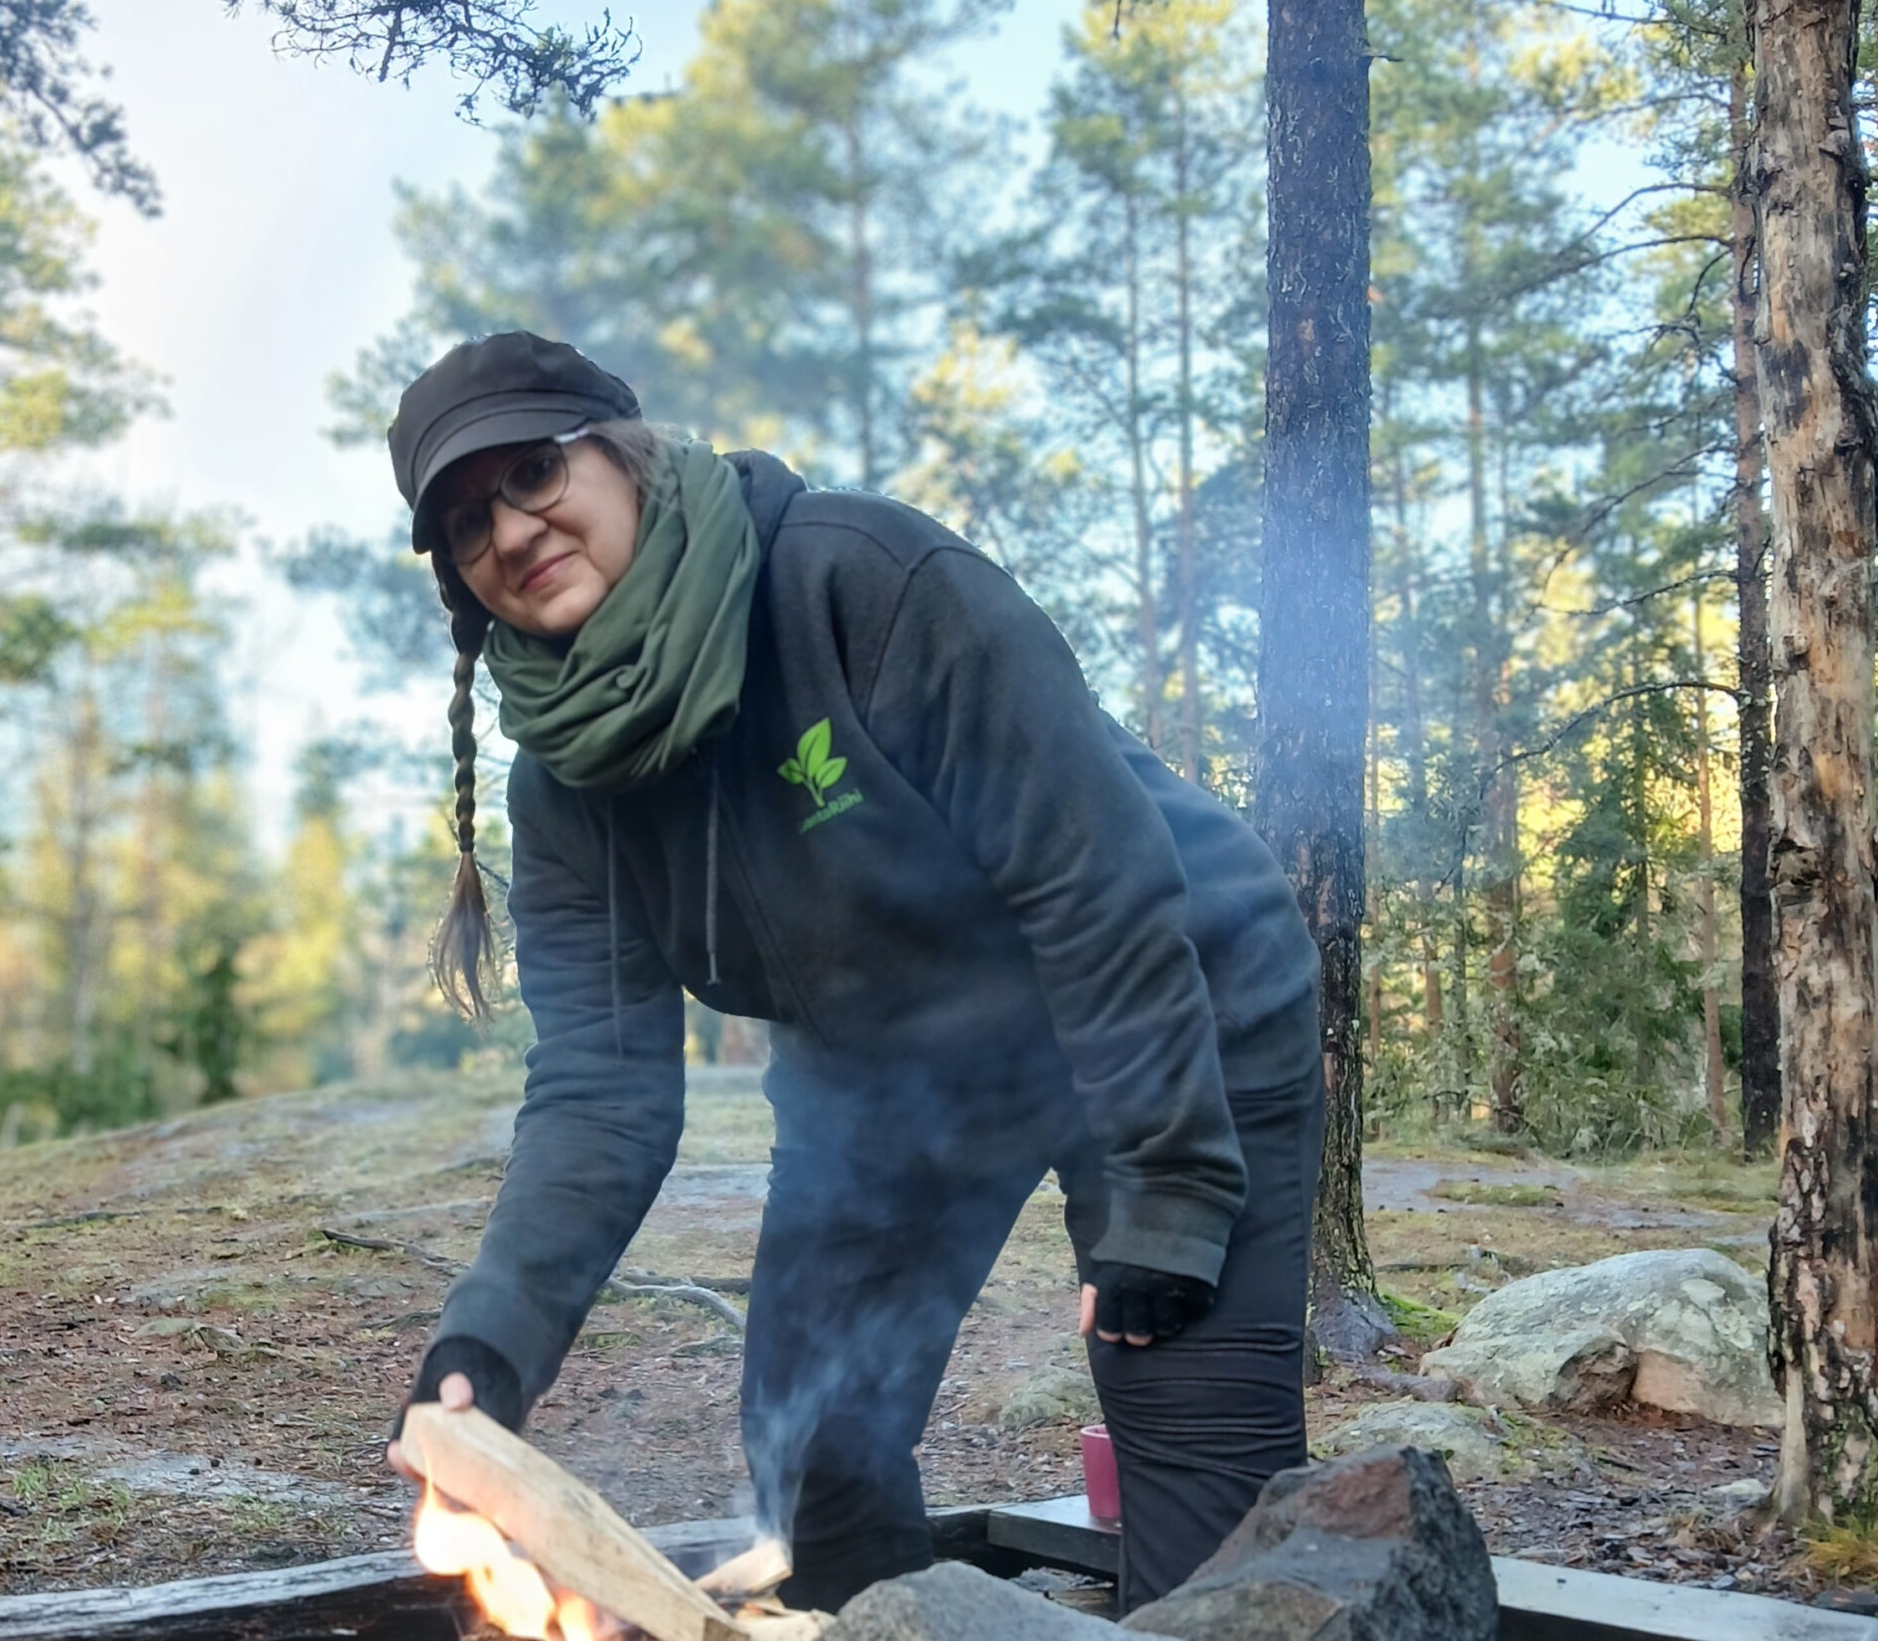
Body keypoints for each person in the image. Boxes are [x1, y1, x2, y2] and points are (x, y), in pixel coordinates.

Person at [381, 331, 1322, 1613]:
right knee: (815, 1463)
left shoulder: (859, 583)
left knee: (1209, 1525)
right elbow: (599, 1091)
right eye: (464, 523)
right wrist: (490, 1344)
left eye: (533, 473)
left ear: (624, 455)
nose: (508, 530)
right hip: (898, 1086)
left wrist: (1168, 1188)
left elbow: (1090, 877)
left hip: (1175, 1014)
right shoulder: (563, 788)